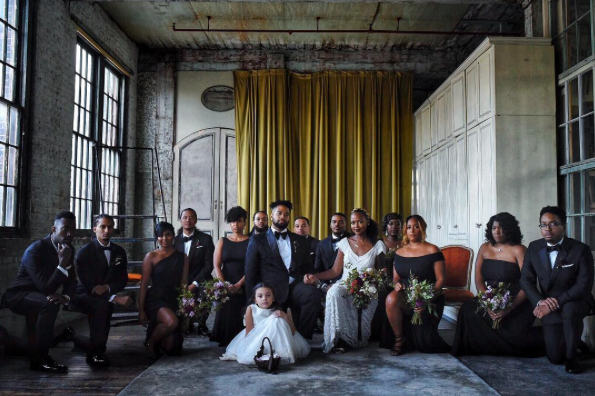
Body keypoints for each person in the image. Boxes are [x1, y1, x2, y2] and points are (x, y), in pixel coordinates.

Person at [451, 212, 544, 357]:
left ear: (510, 229)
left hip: (516, 299)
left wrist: (509, 308)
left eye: (502, 228)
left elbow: (528, 283)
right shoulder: (484, 248)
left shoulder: (519, 250)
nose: (497, 232)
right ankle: (483, 349)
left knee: (516, 335)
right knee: (467, 310)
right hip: (489, 296)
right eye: (494, 228)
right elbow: (479, 279)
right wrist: (487, 303)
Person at [520, 206, 595, 374]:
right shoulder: (533, 247)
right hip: (547, 302)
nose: (547, 229)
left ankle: (572, 357)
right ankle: (575, 343)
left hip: (576, 299)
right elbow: (525, 279)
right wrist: (540, 302)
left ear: (564, 224)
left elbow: (584, 285)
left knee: (569, 310)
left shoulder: (580, 249)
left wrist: (557, 302)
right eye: (543, 225)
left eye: (553, 224)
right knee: (554, 358)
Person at [0, 211, 77, 373]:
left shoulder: (69, 249)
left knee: (50, 303)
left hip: (41, 295)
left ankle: (24, 348)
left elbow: (71, 280)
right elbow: (46, 287)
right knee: (50, 303)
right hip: (20, 295)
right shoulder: (35, 250)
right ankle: (40, 360)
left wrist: (65, 296)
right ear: (53, 229)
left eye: (72, 229)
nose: (69, 234)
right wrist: (62, 263)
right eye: (65, 229)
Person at [304, 208, 386, 353]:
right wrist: (316, 277)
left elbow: (381, 274)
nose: (356, 225)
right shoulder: (344, 243)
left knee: (362, 329)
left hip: (368, 288)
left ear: (367, 222)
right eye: (353, 222)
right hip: (346, 284)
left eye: (360, 221)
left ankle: (354, 338)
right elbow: (335, 271)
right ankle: (338, 339)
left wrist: (370, 284)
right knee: (334, 291)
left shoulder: (377, 245)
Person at [245, 200, 322, 339]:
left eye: (286, 214)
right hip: (271, 288)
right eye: (279, 213)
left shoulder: (300, 239)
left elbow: (308, 266)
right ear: (272, 215)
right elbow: (250, 270)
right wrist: (252, 297)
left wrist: (308, 276)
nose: (283, 217)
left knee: (313, 294)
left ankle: (302, 338)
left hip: (295, 285)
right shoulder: (258, 239)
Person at [71, 214, 133, 367]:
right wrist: (115, 298)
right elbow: (90, 286)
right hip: (84, 293)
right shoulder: (84, 252)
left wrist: (108, 288)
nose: (106, 230)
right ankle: (94, 354)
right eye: (102, 227)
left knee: (104, 306)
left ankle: (83, 342)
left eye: (110, 227)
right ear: (95, 229)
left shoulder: (119, 252)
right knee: (102, 306)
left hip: (104, 293)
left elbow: (122, 279)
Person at [383, 215, 449, 356]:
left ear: (422, 229)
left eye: (416, 226)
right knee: (391, 298)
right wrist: (397, 286)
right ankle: (399, 339)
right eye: (408, 227)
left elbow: (441, 280)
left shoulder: (433, 250)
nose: (412, 230)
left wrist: (426, 298)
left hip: (430, 296)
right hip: (406, 296)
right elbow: (396, 279)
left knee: (426, 343)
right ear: (405, 231)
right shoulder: (399, 252)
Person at [221, 283, 310, 365]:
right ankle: (266, 352)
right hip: (255, 338)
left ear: (273, 298)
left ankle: (282, 353)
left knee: (277, 320)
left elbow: (293, 332)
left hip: (274, 340)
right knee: (274, 320)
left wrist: (285, 316)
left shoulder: (276, 311)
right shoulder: (251, 309)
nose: (264, 298)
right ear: (255, 300)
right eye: (260, 296)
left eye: (268, 295)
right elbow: (249, 334)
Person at [139, 222, 189, 359]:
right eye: (160, 236)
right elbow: (144, 285)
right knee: (171, 322)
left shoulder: (182, 257)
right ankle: (150, 343)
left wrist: (186, 305)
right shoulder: (151, 256)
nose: (164, 239)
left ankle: (158, 336)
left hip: (174, 299)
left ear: (173, 236)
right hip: (156, 299)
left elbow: (184, 283)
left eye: (167, 235)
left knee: (173, 348)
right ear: (157, 238)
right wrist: (141, 310)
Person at [210, 206, 250, 347]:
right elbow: (216, 264)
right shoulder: (223, 241)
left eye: (239, 221)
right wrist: (224, 284)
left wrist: (239, 284)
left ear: (245, 222)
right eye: (233, 221)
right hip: (226, 282)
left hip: (244, 282)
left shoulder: (251, 241)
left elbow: (251, 267)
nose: (235, 225)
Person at [173, 208, 215, 337]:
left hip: (200, 278)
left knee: (206, 292)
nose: (188, 220)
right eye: (185, 217)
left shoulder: (206, 239)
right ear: (180, 220)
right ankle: (184, 322)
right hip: (180, 280)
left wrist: (195, 283)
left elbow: (209, 265)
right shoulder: (174, 240)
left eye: (191, 217)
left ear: (196, 220)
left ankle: (202, 324)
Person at [373, 212, 403, 342]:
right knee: (382, 292)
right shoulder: (380, 242)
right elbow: (377, 265)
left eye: (398, 224)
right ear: (386, 226)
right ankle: (382, 334)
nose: (394, 226)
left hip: (402, 277)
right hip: (383, 278)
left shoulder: (405, 243)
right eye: (391, 224)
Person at [314, 213, 350, 289]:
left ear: (346, 225)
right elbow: (318, 269)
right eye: (334, 222)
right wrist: (324, 286)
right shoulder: (321, 244)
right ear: (330, 225)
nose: (337, 224)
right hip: (326, 285)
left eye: (340, 222)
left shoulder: (352, 241)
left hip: (347, 284)